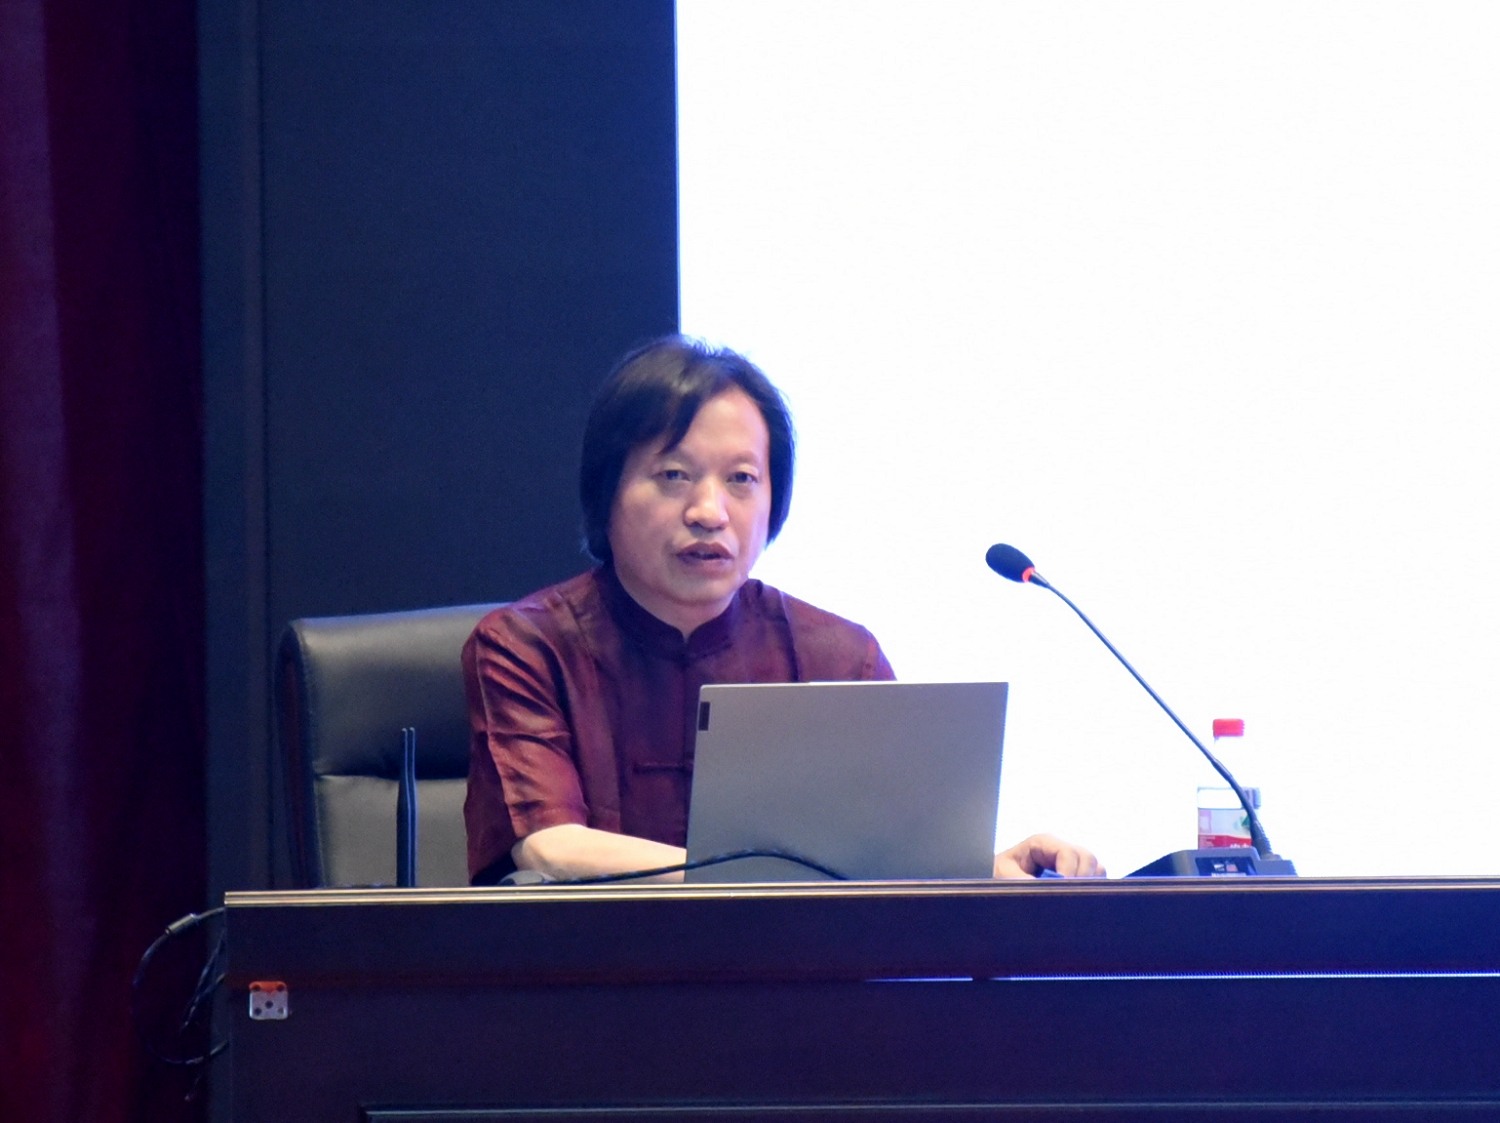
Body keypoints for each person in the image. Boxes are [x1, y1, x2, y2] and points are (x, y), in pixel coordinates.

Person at [463, 336, 1103, 885]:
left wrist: (985, 867)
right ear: (607, 492)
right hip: (592, 978)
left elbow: (894, 853)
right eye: (674, 475)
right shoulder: (528, 647)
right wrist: (765, 881)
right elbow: (551, 848)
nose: (709, 512)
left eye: (742, 479)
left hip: (798, 982)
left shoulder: (839, 656)